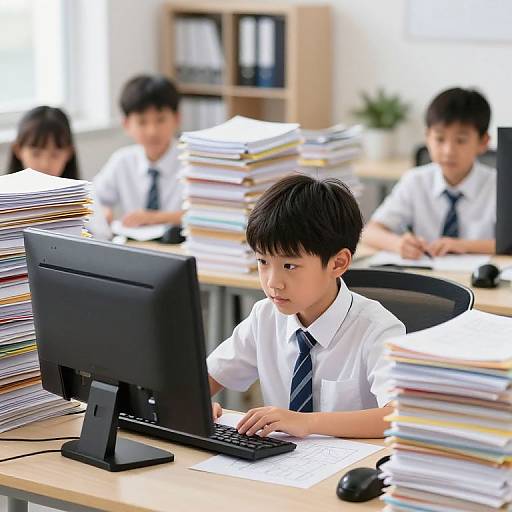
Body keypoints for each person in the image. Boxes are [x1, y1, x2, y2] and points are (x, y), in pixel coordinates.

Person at [207, 174, 405, 438]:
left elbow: (399, 416)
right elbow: (204, 379)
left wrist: (307, 422)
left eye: (290, 266)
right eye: (263, 262)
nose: (273, 283)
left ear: (338, 263)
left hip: (351, 469)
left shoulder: (378, 329)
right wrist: (197, 404)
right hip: (283, 467)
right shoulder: (264, 316)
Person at [363, 87, 495, 259]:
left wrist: (464, 245)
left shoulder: (499, 185)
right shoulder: (415, 181)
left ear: (483, 142)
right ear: (427, 138)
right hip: (427, 277)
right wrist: (398, 244)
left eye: (461, 140)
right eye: (440, 139)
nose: (448, 151)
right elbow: (370, 232)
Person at [7, 106, 111, 240]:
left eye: (55, 155)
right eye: (36, 154)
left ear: (68, 153)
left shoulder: (84, 197)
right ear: (18, 150)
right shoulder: (6, 199)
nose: (45, 164)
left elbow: (102, 239)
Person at [93, 74, 183, 227]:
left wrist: (154, 218)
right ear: (127, 124)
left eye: (160, 119)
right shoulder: (122, 161)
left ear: (176, 119)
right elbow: (90, 200)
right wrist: (102, 211)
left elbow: (208, 216)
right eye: (142, 122)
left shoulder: (193, 161)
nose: (152, 131)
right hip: (136, 246)